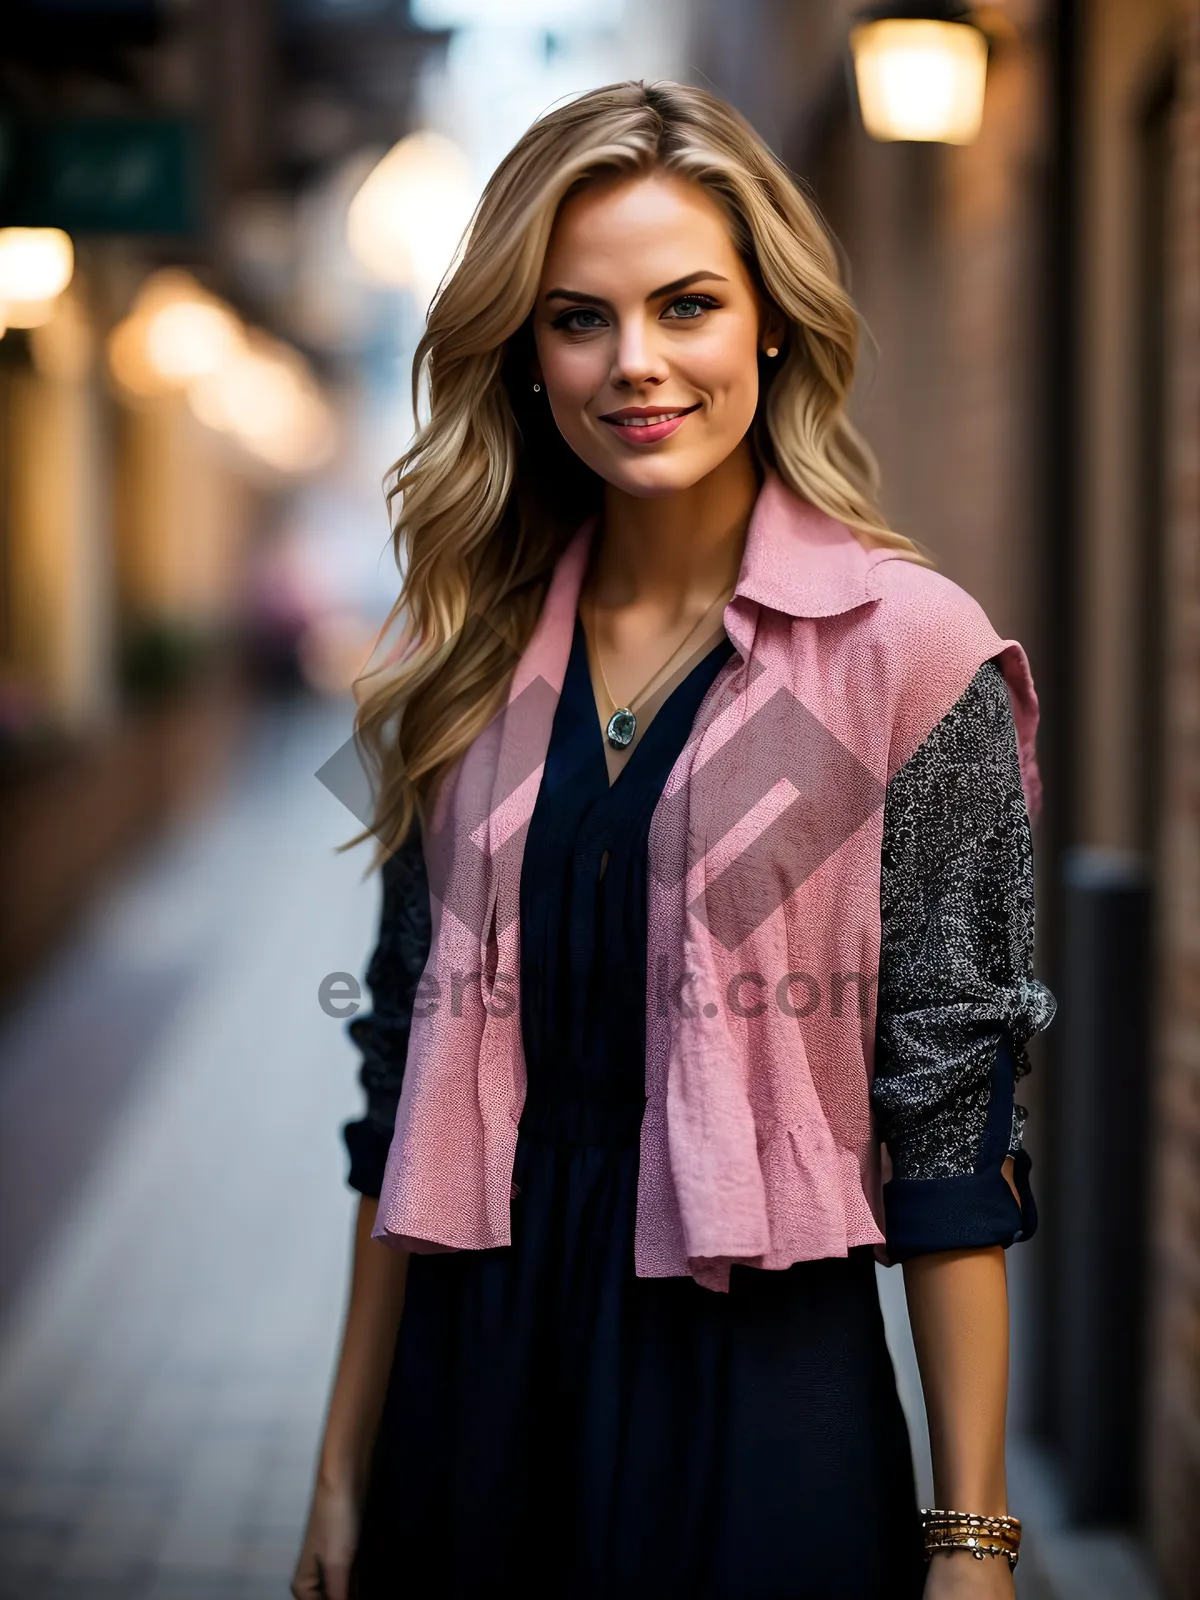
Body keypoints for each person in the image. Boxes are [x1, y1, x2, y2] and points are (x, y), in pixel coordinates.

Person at [291, 79, 1057, 1600]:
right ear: (526, 356)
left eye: (687, 305)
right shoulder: (467, 655)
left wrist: (972, 1544)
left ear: (769, 324)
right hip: (476, 1376)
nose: (635, 362)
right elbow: (396, 1086)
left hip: (759, 1383)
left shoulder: (905, 656)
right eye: (580, 319)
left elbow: (950, 1114)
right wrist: (341, 1465)